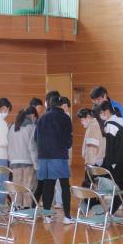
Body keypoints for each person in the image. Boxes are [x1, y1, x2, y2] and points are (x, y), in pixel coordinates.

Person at [35, 94, 73, 224]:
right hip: (59, 156)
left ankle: (47, 216)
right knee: (64, 185)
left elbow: (36, 138)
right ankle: (67, 216)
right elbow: (68, 141)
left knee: (48, 184)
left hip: (43, 157)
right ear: (60, 104)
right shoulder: (65, 118)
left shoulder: (42, 118)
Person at [96, 100, 123, 212]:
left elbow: (110, 146)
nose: (101, 116)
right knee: (118, 179)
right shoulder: (118, 121)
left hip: (118, 157)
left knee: (115, 180)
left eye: (101, 113)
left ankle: (112, 210)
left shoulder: (110, 125)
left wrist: (107, 163)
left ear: (107, 111)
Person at [8, 107, 38, 209]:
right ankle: (27, 207)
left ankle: (16, 206)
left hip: (14, 160)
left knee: (17, 185)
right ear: (32, 115)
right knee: (28, 185)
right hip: (28, 160)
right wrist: (36, 162)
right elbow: (33, 147)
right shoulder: (32, 127)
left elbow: (9, 143)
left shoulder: (12, 126)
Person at [53, 96, 73, 209]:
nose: (65, 108)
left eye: (66, 106)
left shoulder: (66, 118)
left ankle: (60, 201)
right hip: (58, 151)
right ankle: (57, 200)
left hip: (64, 151)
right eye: (63, 106)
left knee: (61, 179)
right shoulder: (59, 117)